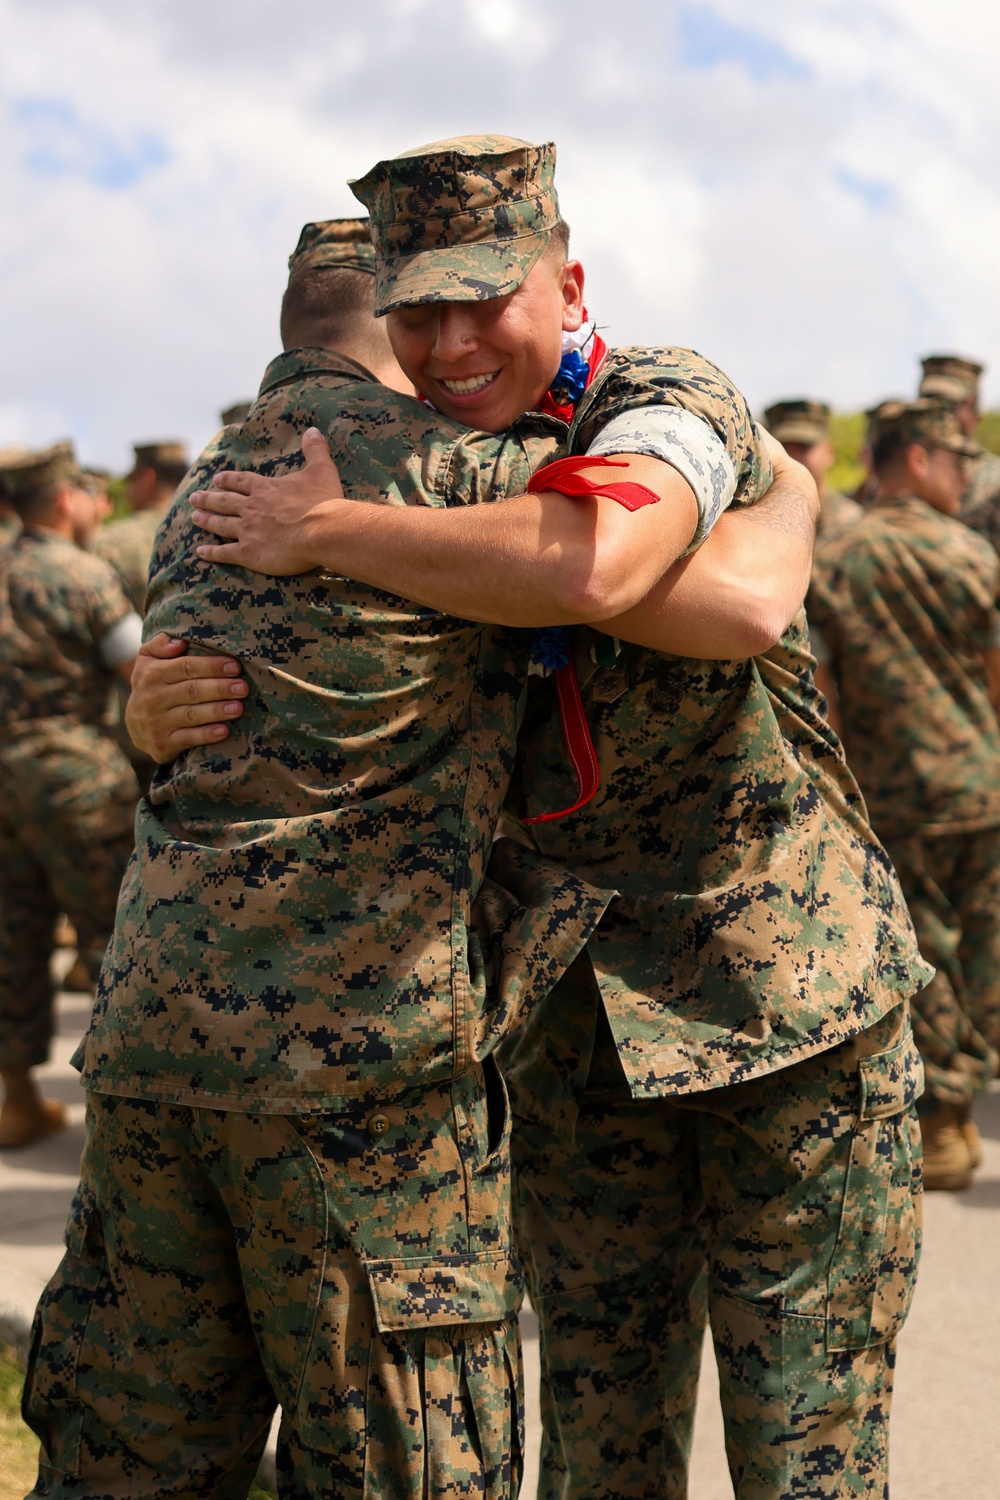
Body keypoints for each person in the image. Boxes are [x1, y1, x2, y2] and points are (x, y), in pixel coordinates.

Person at [179, 134, 928, 1499]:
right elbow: (221, 690)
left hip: (785, 1001)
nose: (455, 341)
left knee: (808, 1455)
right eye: (421, 311)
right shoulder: (403, 470)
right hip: (573, 1037)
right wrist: (147, 707)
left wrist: (341, 533)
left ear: (569, 285)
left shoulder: (657, 396)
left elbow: (642, 570)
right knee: (598, 1446)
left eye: (488, 300)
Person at [25, 199, 810, 1499]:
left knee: (137, 1447)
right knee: (408, 1464)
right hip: (357, 1082)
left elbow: (199, 710)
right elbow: (728, 599)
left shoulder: (201, 496)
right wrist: (794, 487)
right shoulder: (446, 478)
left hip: (149, 1054)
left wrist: (137, 715)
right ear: (398, 329)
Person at [810, 399, 1000, 1195]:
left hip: (890, 796)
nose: (967, 474)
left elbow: (824, 691)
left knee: (925, 955)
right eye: (958, 458)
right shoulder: (974, 556)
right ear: (916, 458)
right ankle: (958, 1106)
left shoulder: (835, 558)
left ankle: (944, 1117)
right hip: (980, 785)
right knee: (983, 951)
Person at [0, 443, 141, 1151]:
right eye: (89, 494)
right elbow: (139, 665)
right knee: (122, 939)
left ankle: (16, 1102)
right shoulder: (82, 575)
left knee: (13, 938)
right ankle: (134, 1121)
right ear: (63, 500)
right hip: (74, 781)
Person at [93, 440, 190, 614]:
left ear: (147, 478)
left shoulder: (110, 541)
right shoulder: (216, 531)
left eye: (131, 480)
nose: (128, 490)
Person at [919, 353, 1000, 551]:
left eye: (949, 405)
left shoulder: (994, 481)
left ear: (974, 412)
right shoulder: (899, 473)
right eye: (928, 402)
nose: (937, 414)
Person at [764, 397, 861, 543]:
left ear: (829, 452)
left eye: (804, 447)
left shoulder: (852, 524)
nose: (793, 456)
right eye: (783, 446)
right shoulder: (749, 517)